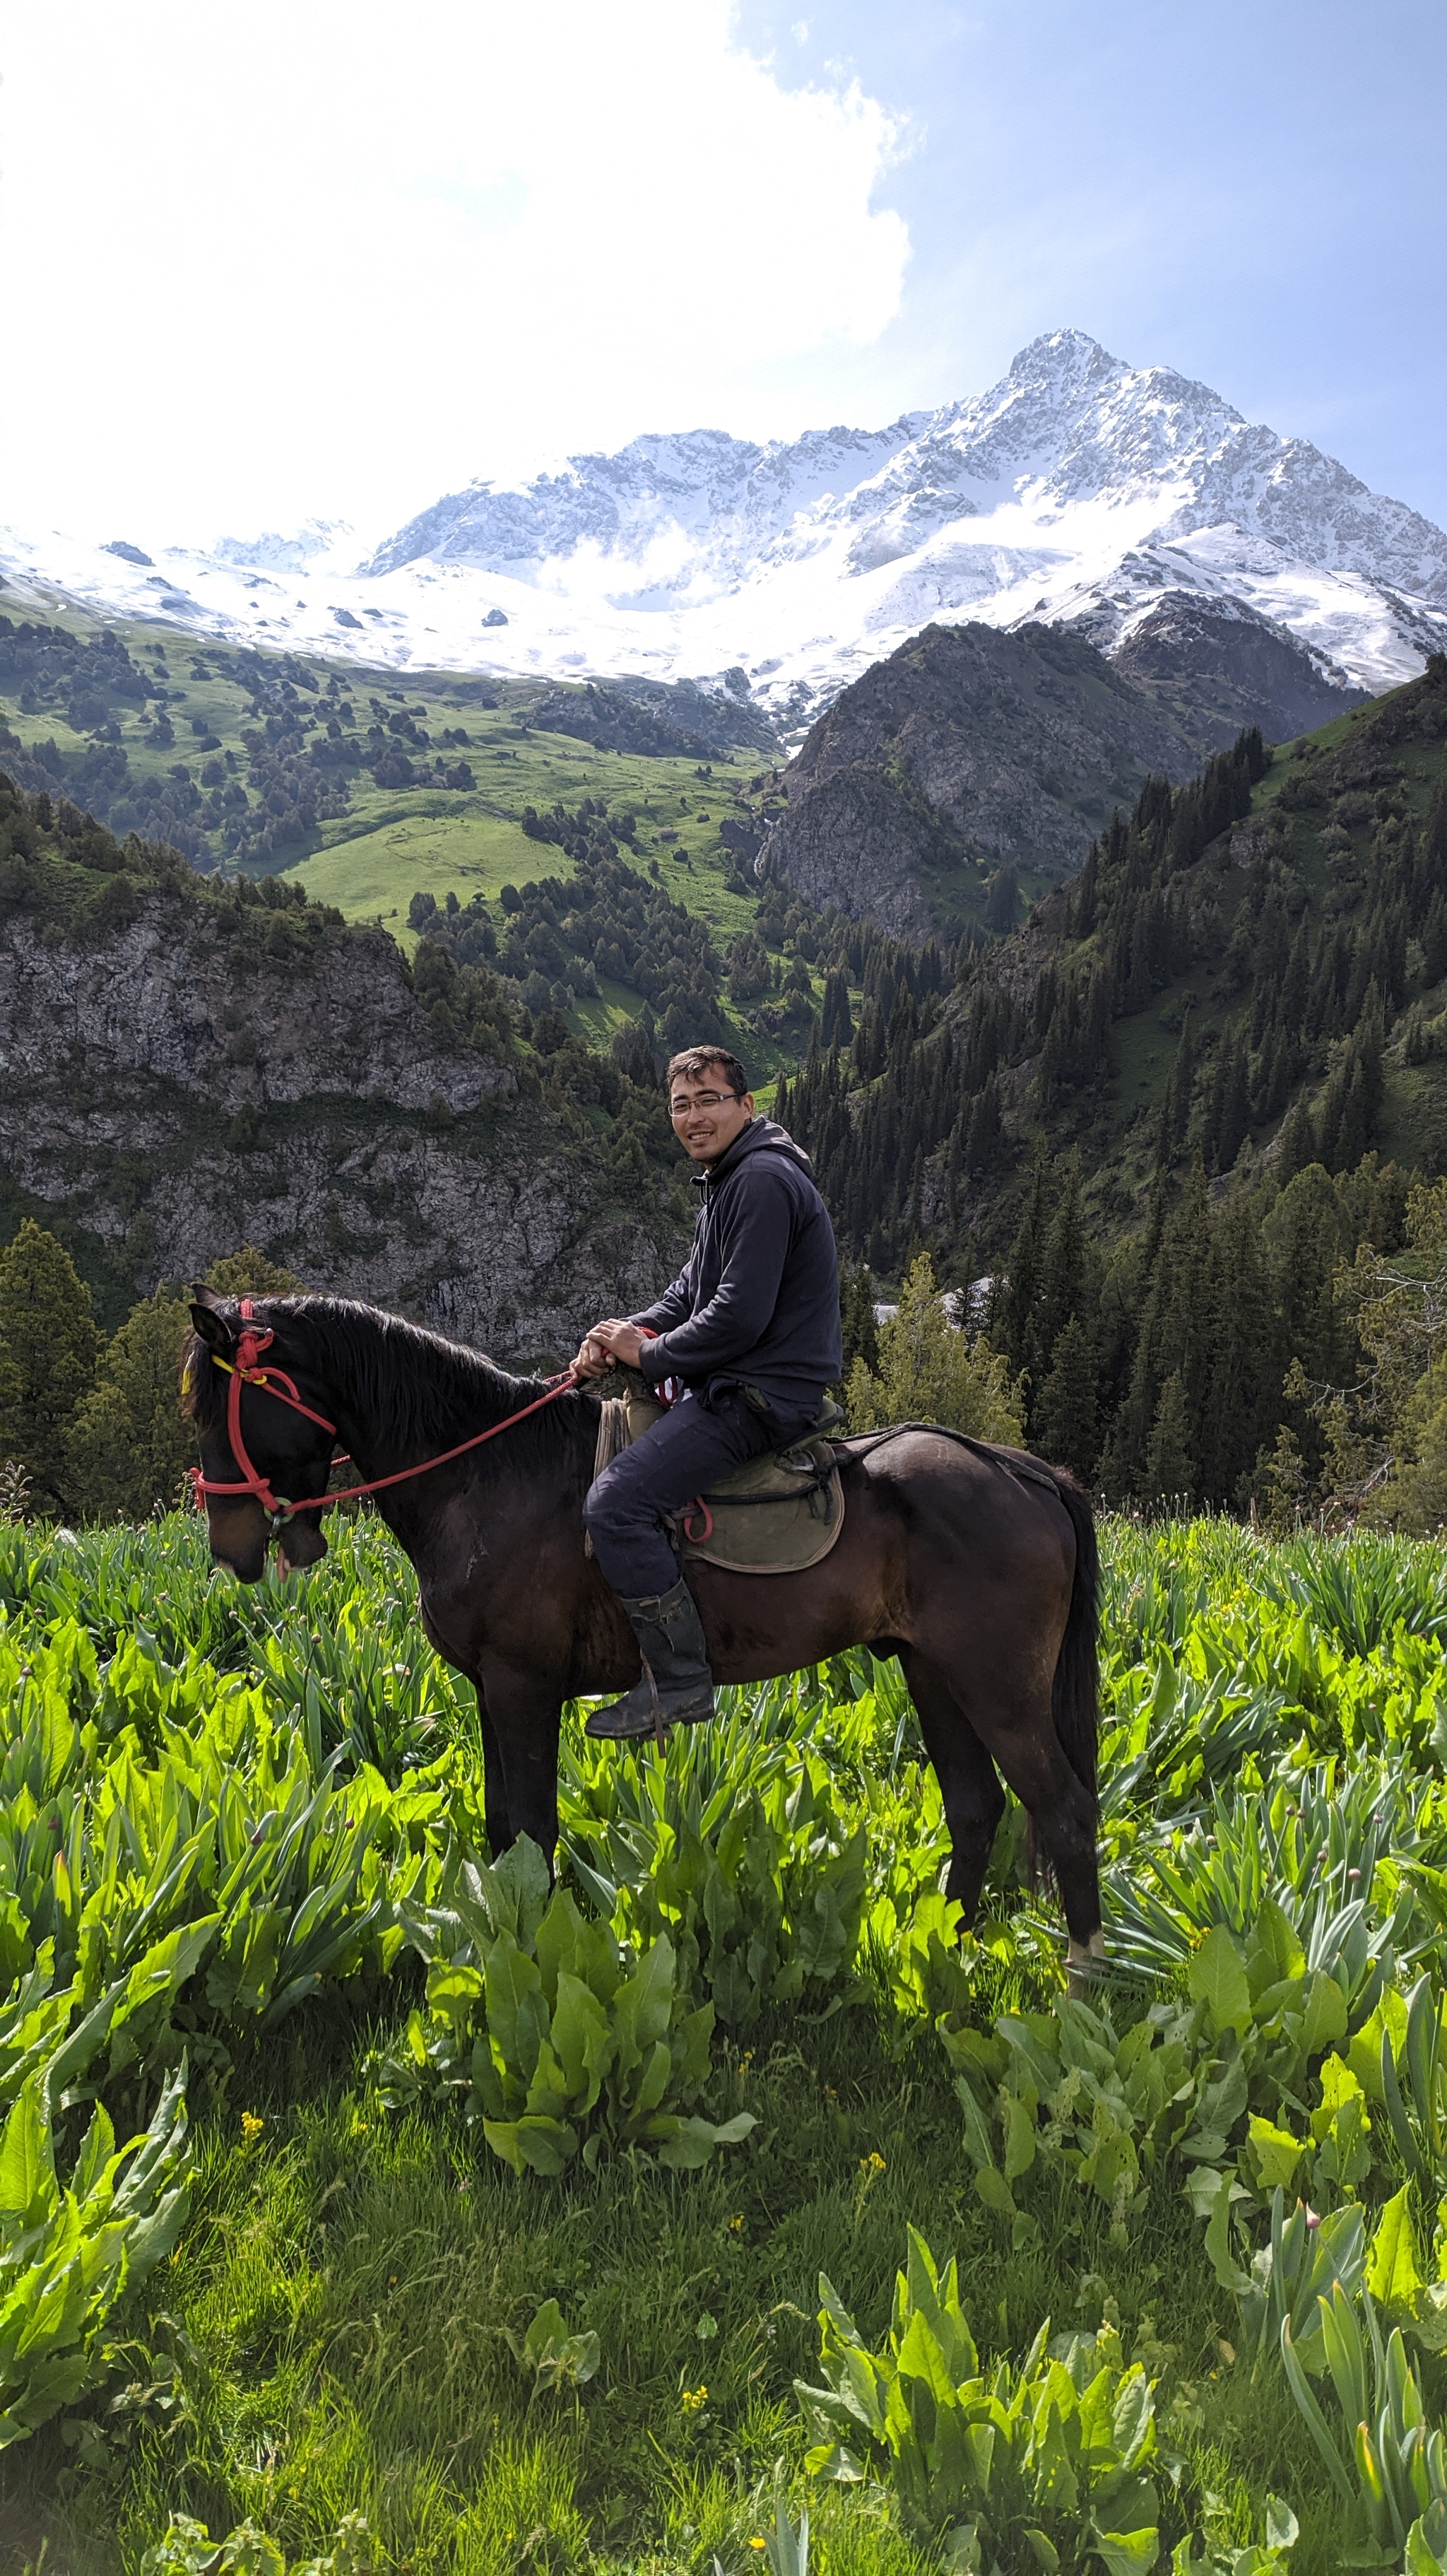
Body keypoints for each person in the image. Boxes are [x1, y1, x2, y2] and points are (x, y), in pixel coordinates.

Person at [572, 1044, 843, 1739]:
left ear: (745, 1106)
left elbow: (737, 1316)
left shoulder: (757, 1183)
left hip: (758, 1396)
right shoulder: (730, 1181)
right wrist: (621, 1335)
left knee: (616, 1503)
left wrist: (651, 1353)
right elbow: (686, 1295)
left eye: (708, 1100)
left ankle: (679, 1684)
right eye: (680, 1105)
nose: (693, 1117)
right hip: (736, 1380)